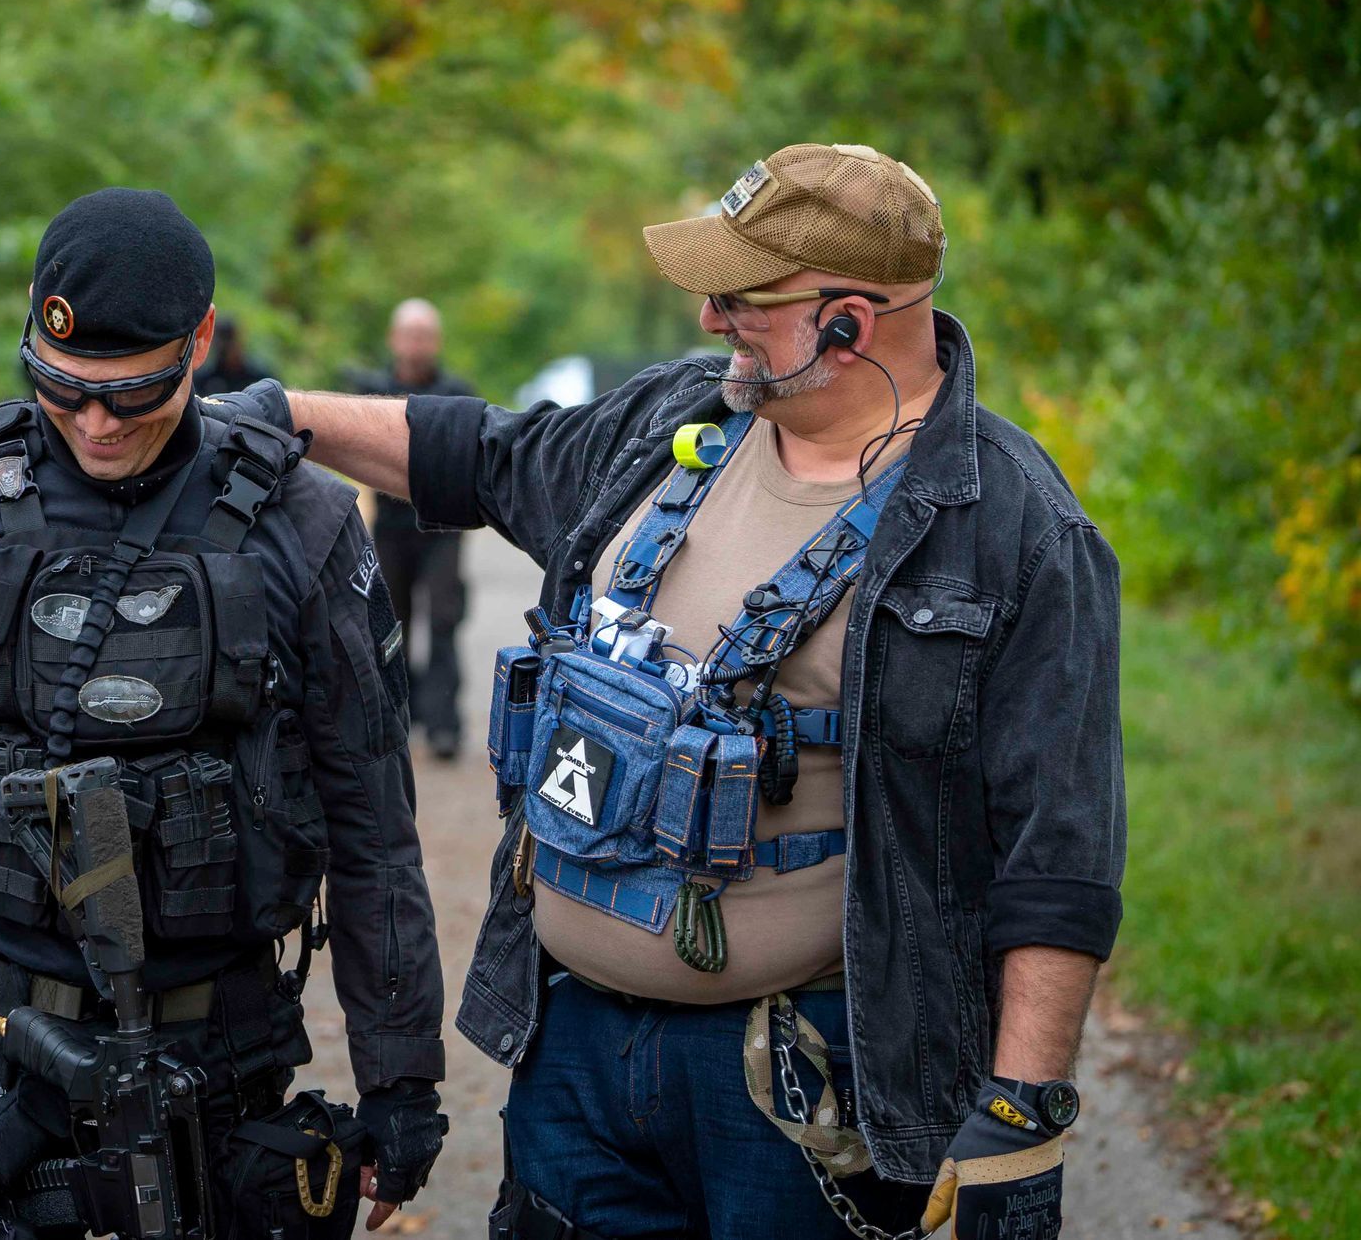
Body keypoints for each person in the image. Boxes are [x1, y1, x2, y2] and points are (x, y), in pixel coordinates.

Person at [216, 144, 1124, 1240]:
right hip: (574, 1056)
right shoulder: (674, 419)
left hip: (803, 1089)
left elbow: (1058, 852)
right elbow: (479, 454)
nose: (708, 317)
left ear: (848, 321)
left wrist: (1021, 1110)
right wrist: (272, 416)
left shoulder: (1017, 530)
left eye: (742, 297)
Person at [0, 188, 448, 1239]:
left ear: (200, 343)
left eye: (134, 393)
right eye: (61, 387)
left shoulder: (304, 524)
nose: (96, 424)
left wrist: (401, 1079)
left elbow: (372, 825)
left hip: (212, 1068)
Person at [350, 299, 475, 761]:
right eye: (410, 335)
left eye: (424, 336)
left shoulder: (457, 394)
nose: (416, 344)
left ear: (435, 342)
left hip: (444, 526)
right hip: (391, 528)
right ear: (394, 339)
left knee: (443, 619)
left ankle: (443, 725)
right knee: (390, 623)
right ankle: (396, 718)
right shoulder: (373, 393)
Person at [191, 314, 276, 398]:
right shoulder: (204, 379)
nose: (226, 348)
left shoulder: (259, 377)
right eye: (221, 343)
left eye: (229, 342)